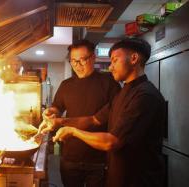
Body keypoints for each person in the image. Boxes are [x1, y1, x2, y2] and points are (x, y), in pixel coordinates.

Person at [43, 38, 166, 187]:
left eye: (114, 61)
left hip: (135, 178)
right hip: (114, 173)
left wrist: (73, 131)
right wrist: (58, 121)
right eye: (73, 61)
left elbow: (112, 141)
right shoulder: (125, 93)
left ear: (134, 58)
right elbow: (95, 119)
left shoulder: (144, 95)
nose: (111, 67)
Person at [40, 40, 120, 187]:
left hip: (98, 159)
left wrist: (62, 122)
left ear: (93, 57)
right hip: (70, 157)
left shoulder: (109, 83)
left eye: (82, 60)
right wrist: (51, 111)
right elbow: (58, 107)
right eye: (73, 61)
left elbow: (101, 118)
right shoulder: (66, 85)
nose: (78, 65)